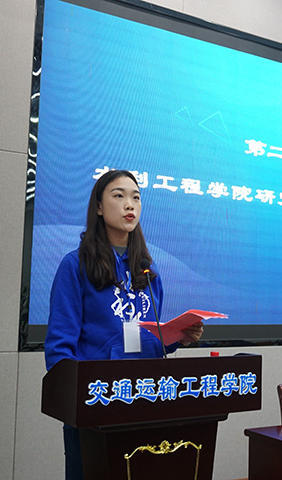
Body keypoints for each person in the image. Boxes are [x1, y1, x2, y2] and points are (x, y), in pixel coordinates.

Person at [44, 170, 203, 479]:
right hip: (97, 403)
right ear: (99, 207)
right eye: (119, 196)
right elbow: (59, 349)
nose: (130, 204)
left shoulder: (147, 269)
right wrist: (79, 397)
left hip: (146, 400)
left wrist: (176, 337)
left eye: (136, 197)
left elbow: (143, 336)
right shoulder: (75, 265)